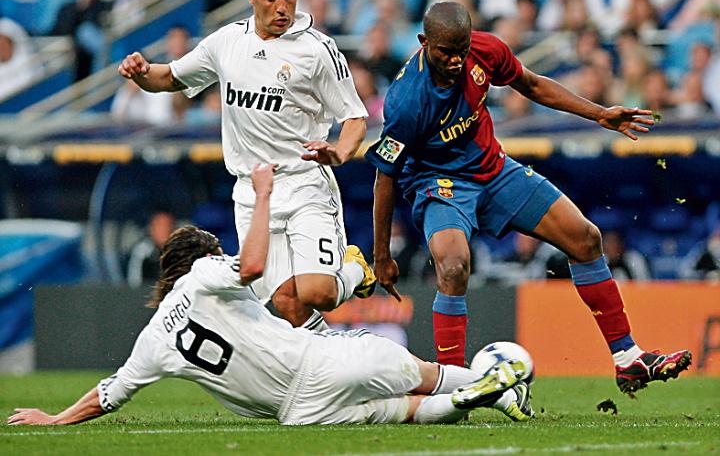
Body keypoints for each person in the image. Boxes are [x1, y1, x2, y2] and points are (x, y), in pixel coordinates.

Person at [6, 165, 533, 427]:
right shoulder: (204, 274)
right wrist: (262, 196)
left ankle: (490, 396)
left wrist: (54, 419)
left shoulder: (153, 339)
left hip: (298, 412)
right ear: (200, 257)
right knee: (424, 374)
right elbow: (255, 266)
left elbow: (109, 394)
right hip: (318, 362)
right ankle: (489, 386)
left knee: (403, 412)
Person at [365, 1, 691, 395]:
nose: (455, 60)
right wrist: (381, 256)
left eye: (461, 50)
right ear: (424, 42)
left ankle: (628, 359)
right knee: (453, 266)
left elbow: (532, 85)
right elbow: (385, 177)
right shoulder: (406, 101)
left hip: (494, 169)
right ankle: (453, 387)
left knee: (585, 238)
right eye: (445, 52)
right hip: (440, 183)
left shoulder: (486, 49)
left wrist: (599, 114)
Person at [117, 0, 374, 332]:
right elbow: (170, 77)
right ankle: (334, 362)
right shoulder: (227, 42)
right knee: (286, 302)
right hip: (252, 193)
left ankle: (356, 269)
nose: (282, 6)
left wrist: (339, 152)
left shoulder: (318, 49)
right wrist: (141, 74)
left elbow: (355, 118)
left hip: (304, 183)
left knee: (317, 292)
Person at [126, 211, 176, 287]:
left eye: (167, 226)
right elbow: (134, 281)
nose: (163, 230)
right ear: (151, 229)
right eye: (159, 226)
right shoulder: (142, 250)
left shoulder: (181, 250)